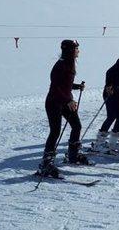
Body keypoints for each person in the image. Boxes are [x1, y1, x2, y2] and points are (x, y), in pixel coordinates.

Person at [37, 40, 87, 178]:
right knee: (55, 131)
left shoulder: (68, 63)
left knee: (76, 126)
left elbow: (65, 84)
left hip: (64, 100)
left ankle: (73, 155)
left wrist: (76, 87)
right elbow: (57, 86)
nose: (79, 51)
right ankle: (46, 164)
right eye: (77, 48)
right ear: (71, 50)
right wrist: (69, 100)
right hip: (54, 102)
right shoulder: (62, 64)